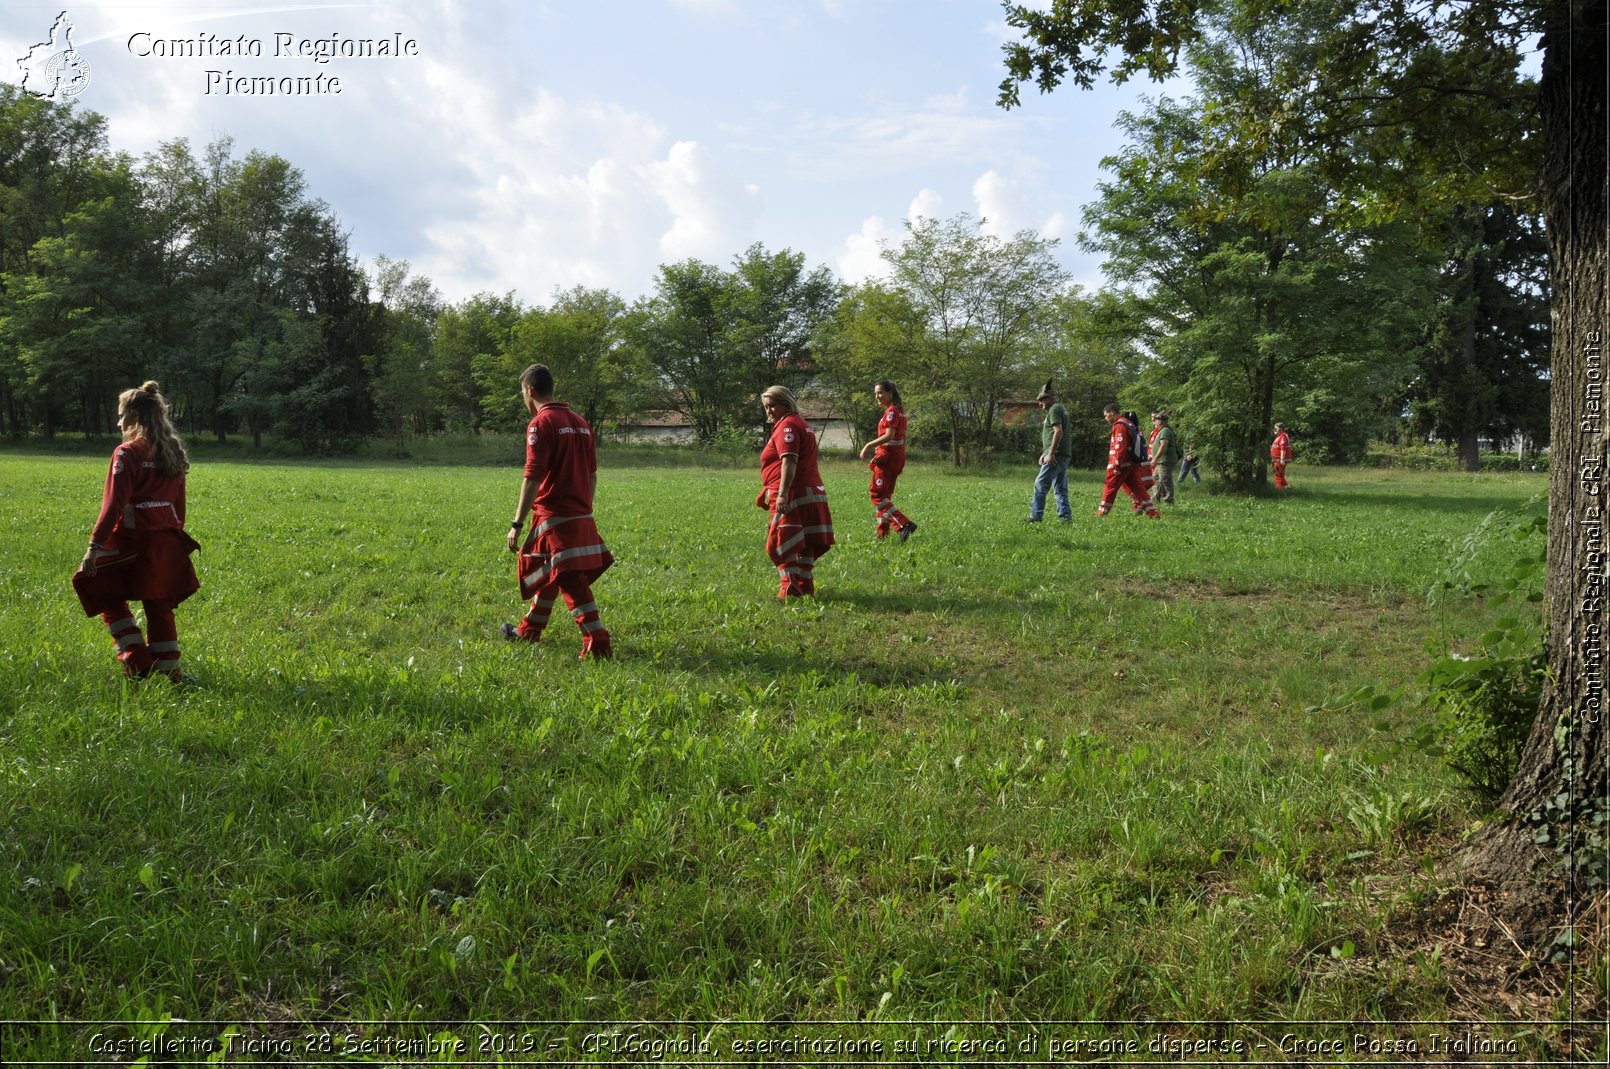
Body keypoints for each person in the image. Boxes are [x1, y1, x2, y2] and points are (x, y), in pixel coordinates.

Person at [72, 381, 201, 682]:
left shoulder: (126, 453)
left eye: (121, 415)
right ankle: (170, 672)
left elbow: (113, 506)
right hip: (167, 539)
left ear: (135, 416)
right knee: (159, 603)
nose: (118, 422)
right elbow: (179, 508)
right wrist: (172, 540)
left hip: (132, 539)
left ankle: (136, 660)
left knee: (98, 587)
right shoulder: (173, 452)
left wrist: (94, 547)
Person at [502, 364, 614, 659]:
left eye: (523, 396)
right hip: (580, 512)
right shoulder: (580, 422)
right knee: (549, 570)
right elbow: (592, 474)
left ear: (530, 391)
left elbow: (533, 477)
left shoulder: (540, 424)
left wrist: (517, 523)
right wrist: (584, 507)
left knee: (569, 577)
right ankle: (529, 630)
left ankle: (598, 641)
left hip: (554, 515)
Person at [758, 385, 835, 598]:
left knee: (780, 541)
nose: (769, 411)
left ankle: (790, 586)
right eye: (766, 407)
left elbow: (789, 460)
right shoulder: (802, 424)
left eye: (773, 405)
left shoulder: (788, 426)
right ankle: (806, 585)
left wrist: (782, 493)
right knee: (808, 541)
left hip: (794, 493)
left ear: (786, 403)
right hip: (812, 491)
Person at [857, 380, 917, 542]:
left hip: (888, 459)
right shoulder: (898, 411)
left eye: (880, 392)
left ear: (890, 393)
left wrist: (869, 445)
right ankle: (882, 534)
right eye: (876, 393)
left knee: (876, 494)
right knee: (884, 497)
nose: (877, 396)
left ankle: (904, 524)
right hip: (895, 458)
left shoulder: (892, 412)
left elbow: (890, 435)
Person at [1097, 403, 1160, 519]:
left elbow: (1120, 447)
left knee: (1110, 486)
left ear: (1112, 413)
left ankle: (1101, 512)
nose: (1105, 419)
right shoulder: (1129, 423)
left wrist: (1116, 466)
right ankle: (1153, 513)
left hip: (1122, 465)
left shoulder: (1119, 426)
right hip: (1131, 464)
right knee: (1139, 490)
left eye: (1106, 416)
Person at [1026, 379, 1073, 523]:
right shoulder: (1061, 408)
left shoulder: (1054, 409)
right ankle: (1065, 519)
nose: (1040, 404)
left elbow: (1058, 432)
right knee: (1060, 488)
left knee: (1040, 485)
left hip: (1056, 455)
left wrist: (1051, 453)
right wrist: (1045, 452)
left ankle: (1035, 517)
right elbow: (1054, 434)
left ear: (1049, 397)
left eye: (1041, 400)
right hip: (1063, 454)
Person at [1148, 411, 1180, 504]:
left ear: (1161, 421)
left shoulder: (1165, 431)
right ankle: (1155, 499)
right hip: (1161, 462)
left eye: (1156, 420)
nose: (1154, 421)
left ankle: (1169, 501)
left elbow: (1163, 446)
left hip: (1165, 461)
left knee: (1165, 481)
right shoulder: (1162, 430)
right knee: (1155, 479)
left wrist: (1155, 459)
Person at [1271, 422, 1293, 489]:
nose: (1274, 429)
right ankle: (1287, 487)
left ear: (1280, 428)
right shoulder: (1279, 436)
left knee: (1278, 475)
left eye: (1276, 428)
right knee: (1281, 474)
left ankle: (1279, 490)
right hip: (1277, 460)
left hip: (1279, 460)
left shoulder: (1282, 437)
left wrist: (1282, 459)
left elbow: (1283, 448)